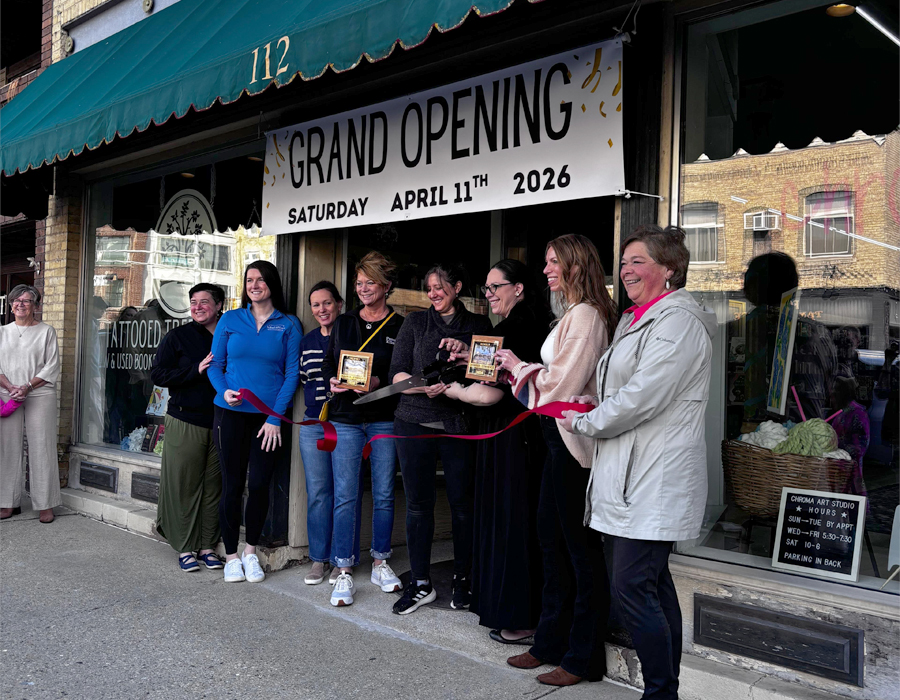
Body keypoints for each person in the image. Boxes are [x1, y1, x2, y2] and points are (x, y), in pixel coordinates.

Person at [561, 225, 716, 700]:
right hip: (633, 476)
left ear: (668, 269)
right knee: (652, 585)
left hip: (655, 478)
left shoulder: (677, 322)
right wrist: (591, 407)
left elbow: (641, 397)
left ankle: (659, 692)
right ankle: (665, 690)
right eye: (623, 262)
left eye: (638, 261)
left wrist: (586, 422)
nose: (626, 270)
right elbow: (622, 390)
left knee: (632, 587)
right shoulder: (635, 319)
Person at [495, 234, 616, 687]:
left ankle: (584, 658)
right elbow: (557, 382)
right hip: (557, 438)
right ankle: (550, 642)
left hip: (571, 444)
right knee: (553, 544)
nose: (545, 270)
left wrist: (519, 366)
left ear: (573, 265)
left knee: (577, 553)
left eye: (552, 262)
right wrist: (522, 369)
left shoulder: (585, 316)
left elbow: (562, 386)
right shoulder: (575, 314)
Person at [441, 259, 551, 644]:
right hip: (531, 439)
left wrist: (449, 390)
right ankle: (531, 614)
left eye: (495, 288)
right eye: (485, 290)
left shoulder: (508, 330)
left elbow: (486, 393)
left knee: (509, 524)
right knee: (525, 525)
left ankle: (518, 617)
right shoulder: (540, 324)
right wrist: (465, 357)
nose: (488, 296)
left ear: (518, 288)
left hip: (506, 440)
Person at [389, 263, 493, 615]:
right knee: (418, 505)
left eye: (440, 286)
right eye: (429, 288)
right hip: (413, 421)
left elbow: (486, 373)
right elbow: (397, 371)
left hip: (459, 423)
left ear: (458, 287)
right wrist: (420, 385)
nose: (433, 293)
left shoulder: (479, 325)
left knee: (463, 506)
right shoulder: (415, 322)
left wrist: (452, 386)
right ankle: (420, 582)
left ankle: (464, 578)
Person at [208, 261, 302, 584]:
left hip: (268, 420)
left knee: (260, 484)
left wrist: (276, 418)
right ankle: (231, 556)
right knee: (232, 485)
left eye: (261, 279)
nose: (255, 285)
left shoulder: (288, 325)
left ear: (272, 283)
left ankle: (251, 552)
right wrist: (225, 391)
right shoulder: (231, 320)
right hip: (230, 414)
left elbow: (292, 375)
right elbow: (214, 366)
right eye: (249, 280)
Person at [321, 252, 405, 607]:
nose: (363, 289)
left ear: (386, 285)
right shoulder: (344, 322)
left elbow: (401, 373)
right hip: (346, 417)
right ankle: (343, 569)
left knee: (384, 492)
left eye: (370, 282)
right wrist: (334, 383)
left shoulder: (401, 326)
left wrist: (376, 382)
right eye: (358, 283)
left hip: (384, 416)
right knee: (345, 495)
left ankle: (381, 561)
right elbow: (330, 364)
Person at [151, 283, 226, 573]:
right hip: (185, 420)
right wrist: (196, 370)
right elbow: (158, 373)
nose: (197, 307)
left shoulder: (229, 334)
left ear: (219, 305)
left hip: (222, 420)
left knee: (212, 487)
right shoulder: (178, 336)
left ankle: (207, 546)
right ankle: (184, 547)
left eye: (204, 302)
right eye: (193, 302)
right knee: (183, 485)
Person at [0, 285, 61, 523]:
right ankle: (7, 502)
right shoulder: (2, 331)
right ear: (11, 304)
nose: (20, 304)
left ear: (36, 305)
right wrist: (10, 387)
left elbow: (51, 365)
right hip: (7, 394)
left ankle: (45, 504)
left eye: (27, 301)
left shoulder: (47, 331)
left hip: (39, 393)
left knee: (41, 446)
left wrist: (26, 386)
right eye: (16, 300)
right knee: (7, 447)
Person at [298, 280, 343, 585]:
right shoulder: (307, 341)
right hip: (313, 424)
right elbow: (304, 380)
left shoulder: (350, 334)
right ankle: (319, 560)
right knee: (318, 494)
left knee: (344, 494)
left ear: (338, 304)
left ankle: (343, 560)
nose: (322, 309)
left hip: (345, 424)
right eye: (316, 304)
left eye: (327, 303)